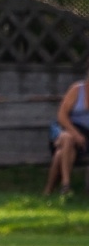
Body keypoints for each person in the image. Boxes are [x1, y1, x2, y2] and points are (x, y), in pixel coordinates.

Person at [45, 58, 89, 196]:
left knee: (60, 154)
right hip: (67, 128)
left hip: (85, 136)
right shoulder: (77, 89)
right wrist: (76, 134)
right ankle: (66, 184)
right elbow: (62, 116)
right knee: (67, 138)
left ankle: (49, 191)